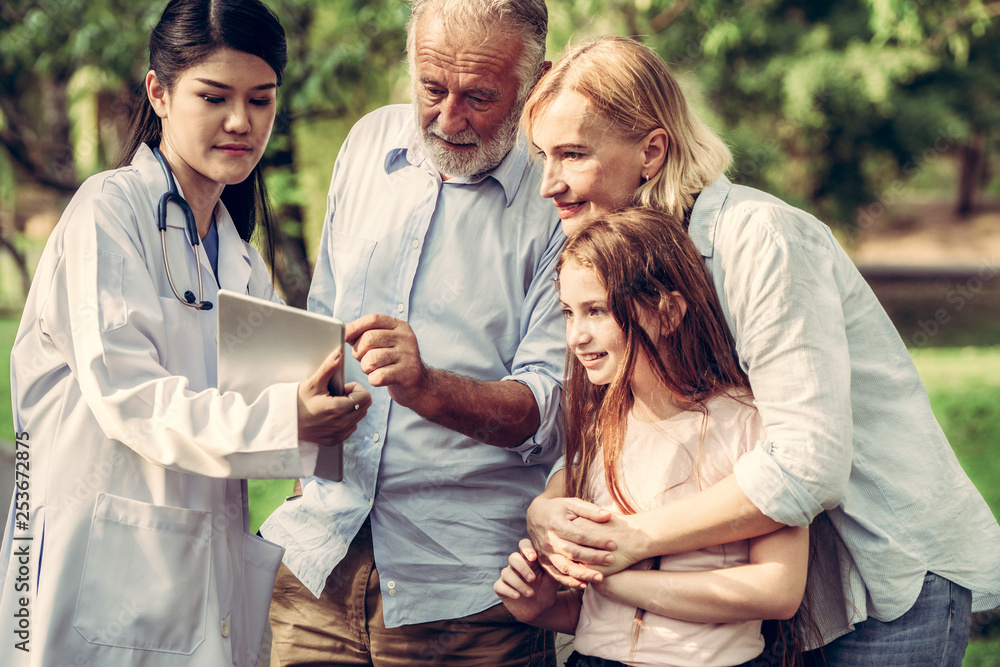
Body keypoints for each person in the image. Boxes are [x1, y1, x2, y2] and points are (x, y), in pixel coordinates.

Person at [520, 36, 1000, 665]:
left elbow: (806, 463)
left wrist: (626, 543)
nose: (548, 184)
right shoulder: (628, 268)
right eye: (542, 158)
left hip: (885, 576)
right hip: (773, 593)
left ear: (652, 151)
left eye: (573, 155)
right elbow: (625, 427)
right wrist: (546, 511)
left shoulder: (759, 239)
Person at [0, 1, 370, 665]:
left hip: (201, 585)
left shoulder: (237, 257)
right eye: (214, 96)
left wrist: (326, 420)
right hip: (98, 575)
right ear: (159, 92)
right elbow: (133, 400)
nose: (241, 121)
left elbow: (262, 436)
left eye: (261, 100)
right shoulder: (107, 213)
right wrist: (290, 418)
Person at [259, 0, 565, 664]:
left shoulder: (559, 196)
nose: (449, 118)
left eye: (479, 97)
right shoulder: (368, 144)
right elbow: (323, 321)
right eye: (432, 88)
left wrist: (426, 387)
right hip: (320, 557)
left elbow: (551, 411)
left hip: (465, 590)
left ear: (534, 85)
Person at [494, 208, 809, 667]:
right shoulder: (597, 424)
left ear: (668, 312)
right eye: (568, 313)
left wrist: (608, 577)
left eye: (596, 311)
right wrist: (539, 605)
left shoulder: (748, 420)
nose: (576, 336)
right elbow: (589, 613)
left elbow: (777, 591)